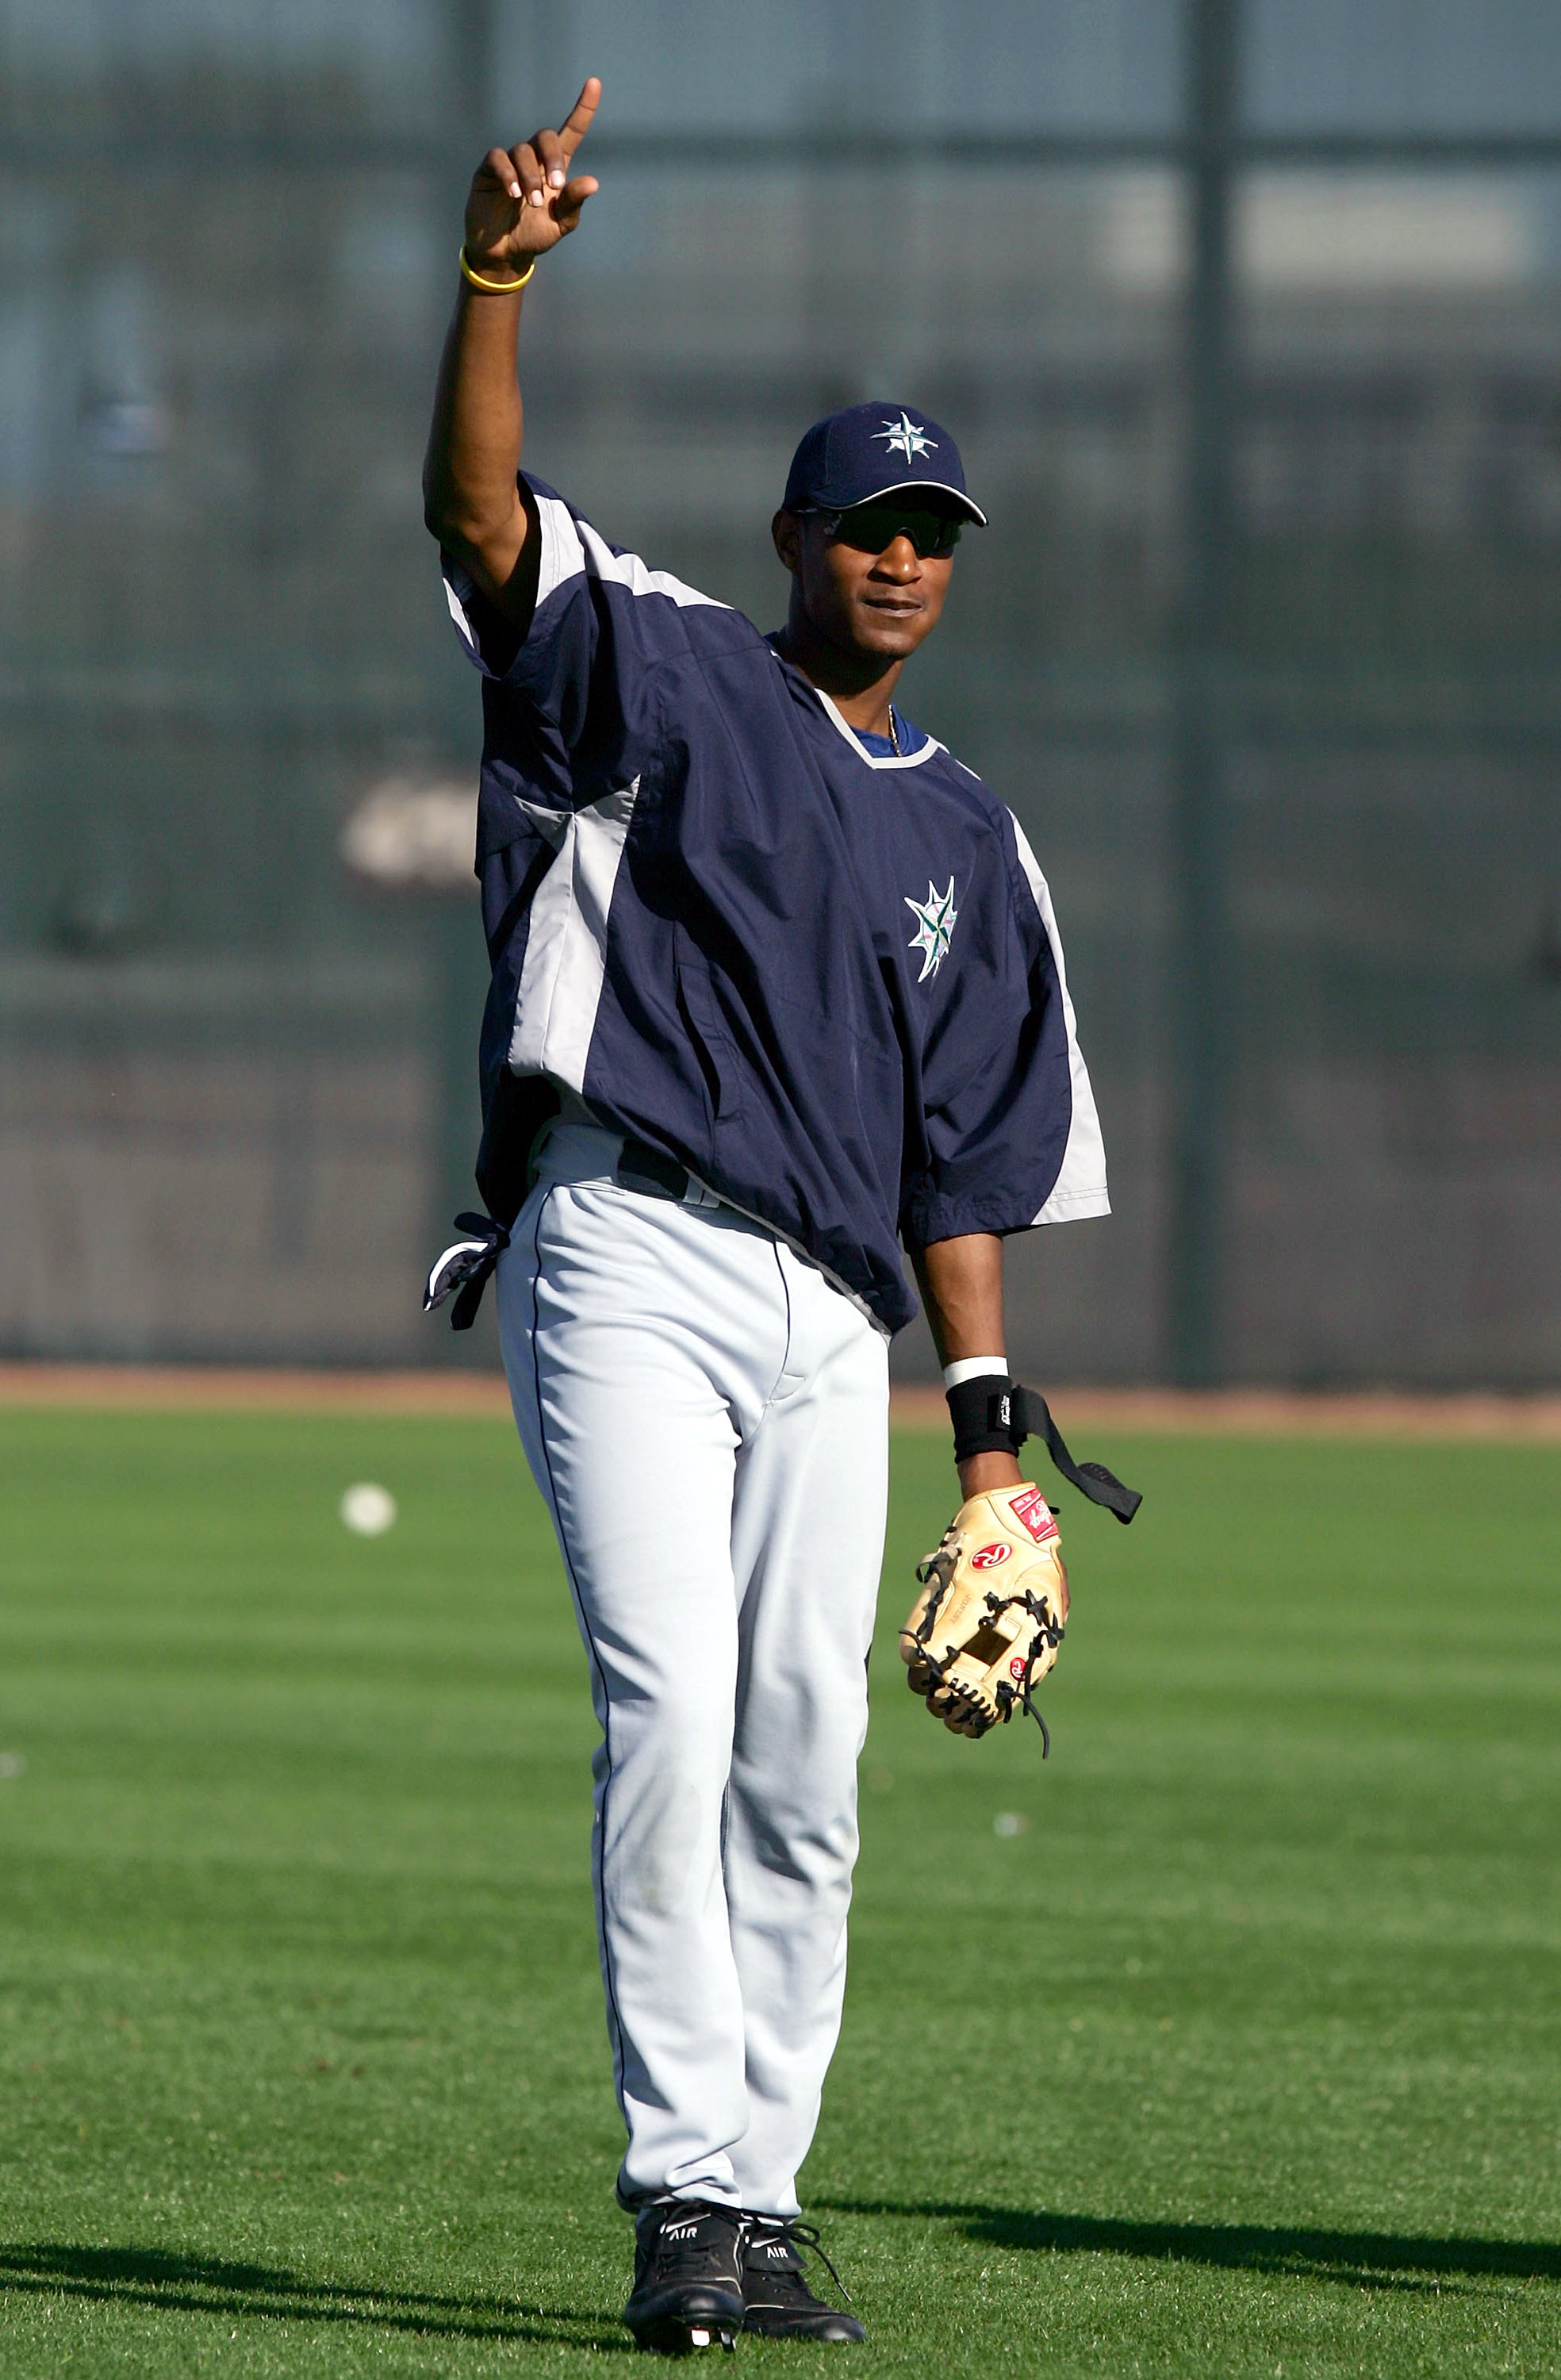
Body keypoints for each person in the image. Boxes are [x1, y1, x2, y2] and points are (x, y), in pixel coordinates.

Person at [421, 79, 1111, 2355]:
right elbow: (487, 520)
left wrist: (991, 1435)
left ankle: (767, 2197)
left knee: (807, 1756)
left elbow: (969, 1167)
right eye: (869, 520)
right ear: (800, 539)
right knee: (671, 1710)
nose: (902, 555)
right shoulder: (681, 670)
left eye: (933, 528)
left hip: (836, 1323)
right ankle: (680, 2196)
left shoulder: (975, 842)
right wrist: (496, 282)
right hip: (626, 1248)